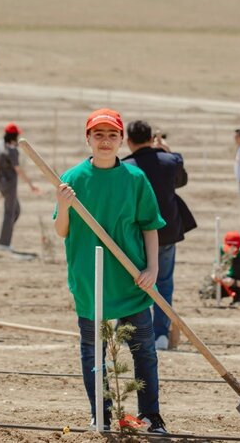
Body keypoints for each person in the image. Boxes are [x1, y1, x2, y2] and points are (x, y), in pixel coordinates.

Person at [54, 108, 167, 433]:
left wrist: (152, 269)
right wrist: (63, 205)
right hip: (89, 281)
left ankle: (151, 416)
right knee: (93, 351)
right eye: (98, 134)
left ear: (121, 140)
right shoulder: (72, 179)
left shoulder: (135, 178)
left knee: (143, 349)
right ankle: (100, 414)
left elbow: (149, 225)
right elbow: (62, 231)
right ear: (88, 138)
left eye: (112, 135)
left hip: (131, 281)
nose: (105, 141)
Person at [123, 120, 195, 349]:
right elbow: (181, 181)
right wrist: (167, 151)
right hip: (166, 232)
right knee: (164, 284)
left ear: (128, 141)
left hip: (135, 235)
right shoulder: (169, 161)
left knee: (131, 282)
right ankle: (161, 334)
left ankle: (125, 332)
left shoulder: (126, 166)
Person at [0, 122, 40, 251]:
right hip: (10, 183)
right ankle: (3, 243)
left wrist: (3, 168)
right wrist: (31, 185)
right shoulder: (12, 150)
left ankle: (5, 234)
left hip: (0, 180)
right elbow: (18, 169)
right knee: (10, 212)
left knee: (16, 210)